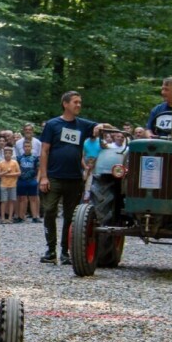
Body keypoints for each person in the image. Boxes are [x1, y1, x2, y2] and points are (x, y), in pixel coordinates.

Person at [39, 91, 108, 264]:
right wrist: (44, 177)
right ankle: (50, 250)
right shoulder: (53, 125)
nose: (78, 105)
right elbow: (44, 151)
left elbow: (101, 126)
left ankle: (65, 252)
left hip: (75, 178)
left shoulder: (82, 125)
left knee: (71, 216)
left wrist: (100, 127)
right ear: (65, 104)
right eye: (75, 102)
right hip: (54, 177)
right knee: (49, 211)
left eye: (80, 102)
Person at [16, 141, 40, 223]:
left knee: (33, 198)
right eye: (25, 146)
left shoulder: (35, 158)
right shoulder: (19, 158)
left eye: (28, 146)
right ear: (23, 148)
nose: (27, 148)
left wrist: (38, 178)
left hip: (32, 180)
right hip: (21, 180)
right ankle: (21, 216)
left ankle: (35, 217)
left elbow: (39, 168)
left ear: (31, 147)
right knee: (22, 198)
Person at [0, 146, 20, 223]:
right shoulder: (1, 163)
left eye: (9, 153)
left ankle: (10, 217)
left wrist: (10, 174)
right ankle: (2, 217)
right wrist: (5, 173)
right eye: (6, 153)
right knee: (3, 201)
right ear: (4, 154)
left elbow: (19, 173)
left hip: (13, 184)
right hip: (3, 185)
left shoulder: (14, 162)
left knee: (11, 201)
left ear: (11, 154)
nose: (7, 154)